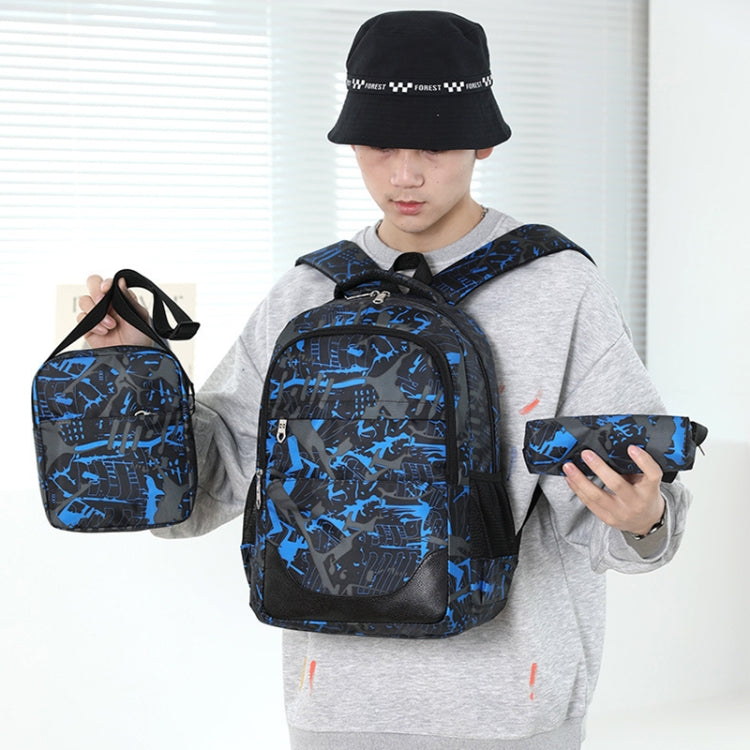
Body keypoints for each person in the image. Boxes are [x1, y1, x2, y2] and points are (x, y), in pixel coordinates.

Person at [78, 11, 690, 750]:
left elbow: (626, 515)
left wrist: (644, 519)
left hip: (507, 709)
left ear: (483, 142)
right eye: (379, 145)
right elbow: (205, 487)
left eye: (432, 144)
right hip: (335, 707)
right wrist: (134, 374)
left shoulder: (557, 288)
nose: (404, 174)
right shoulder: (306, 292)